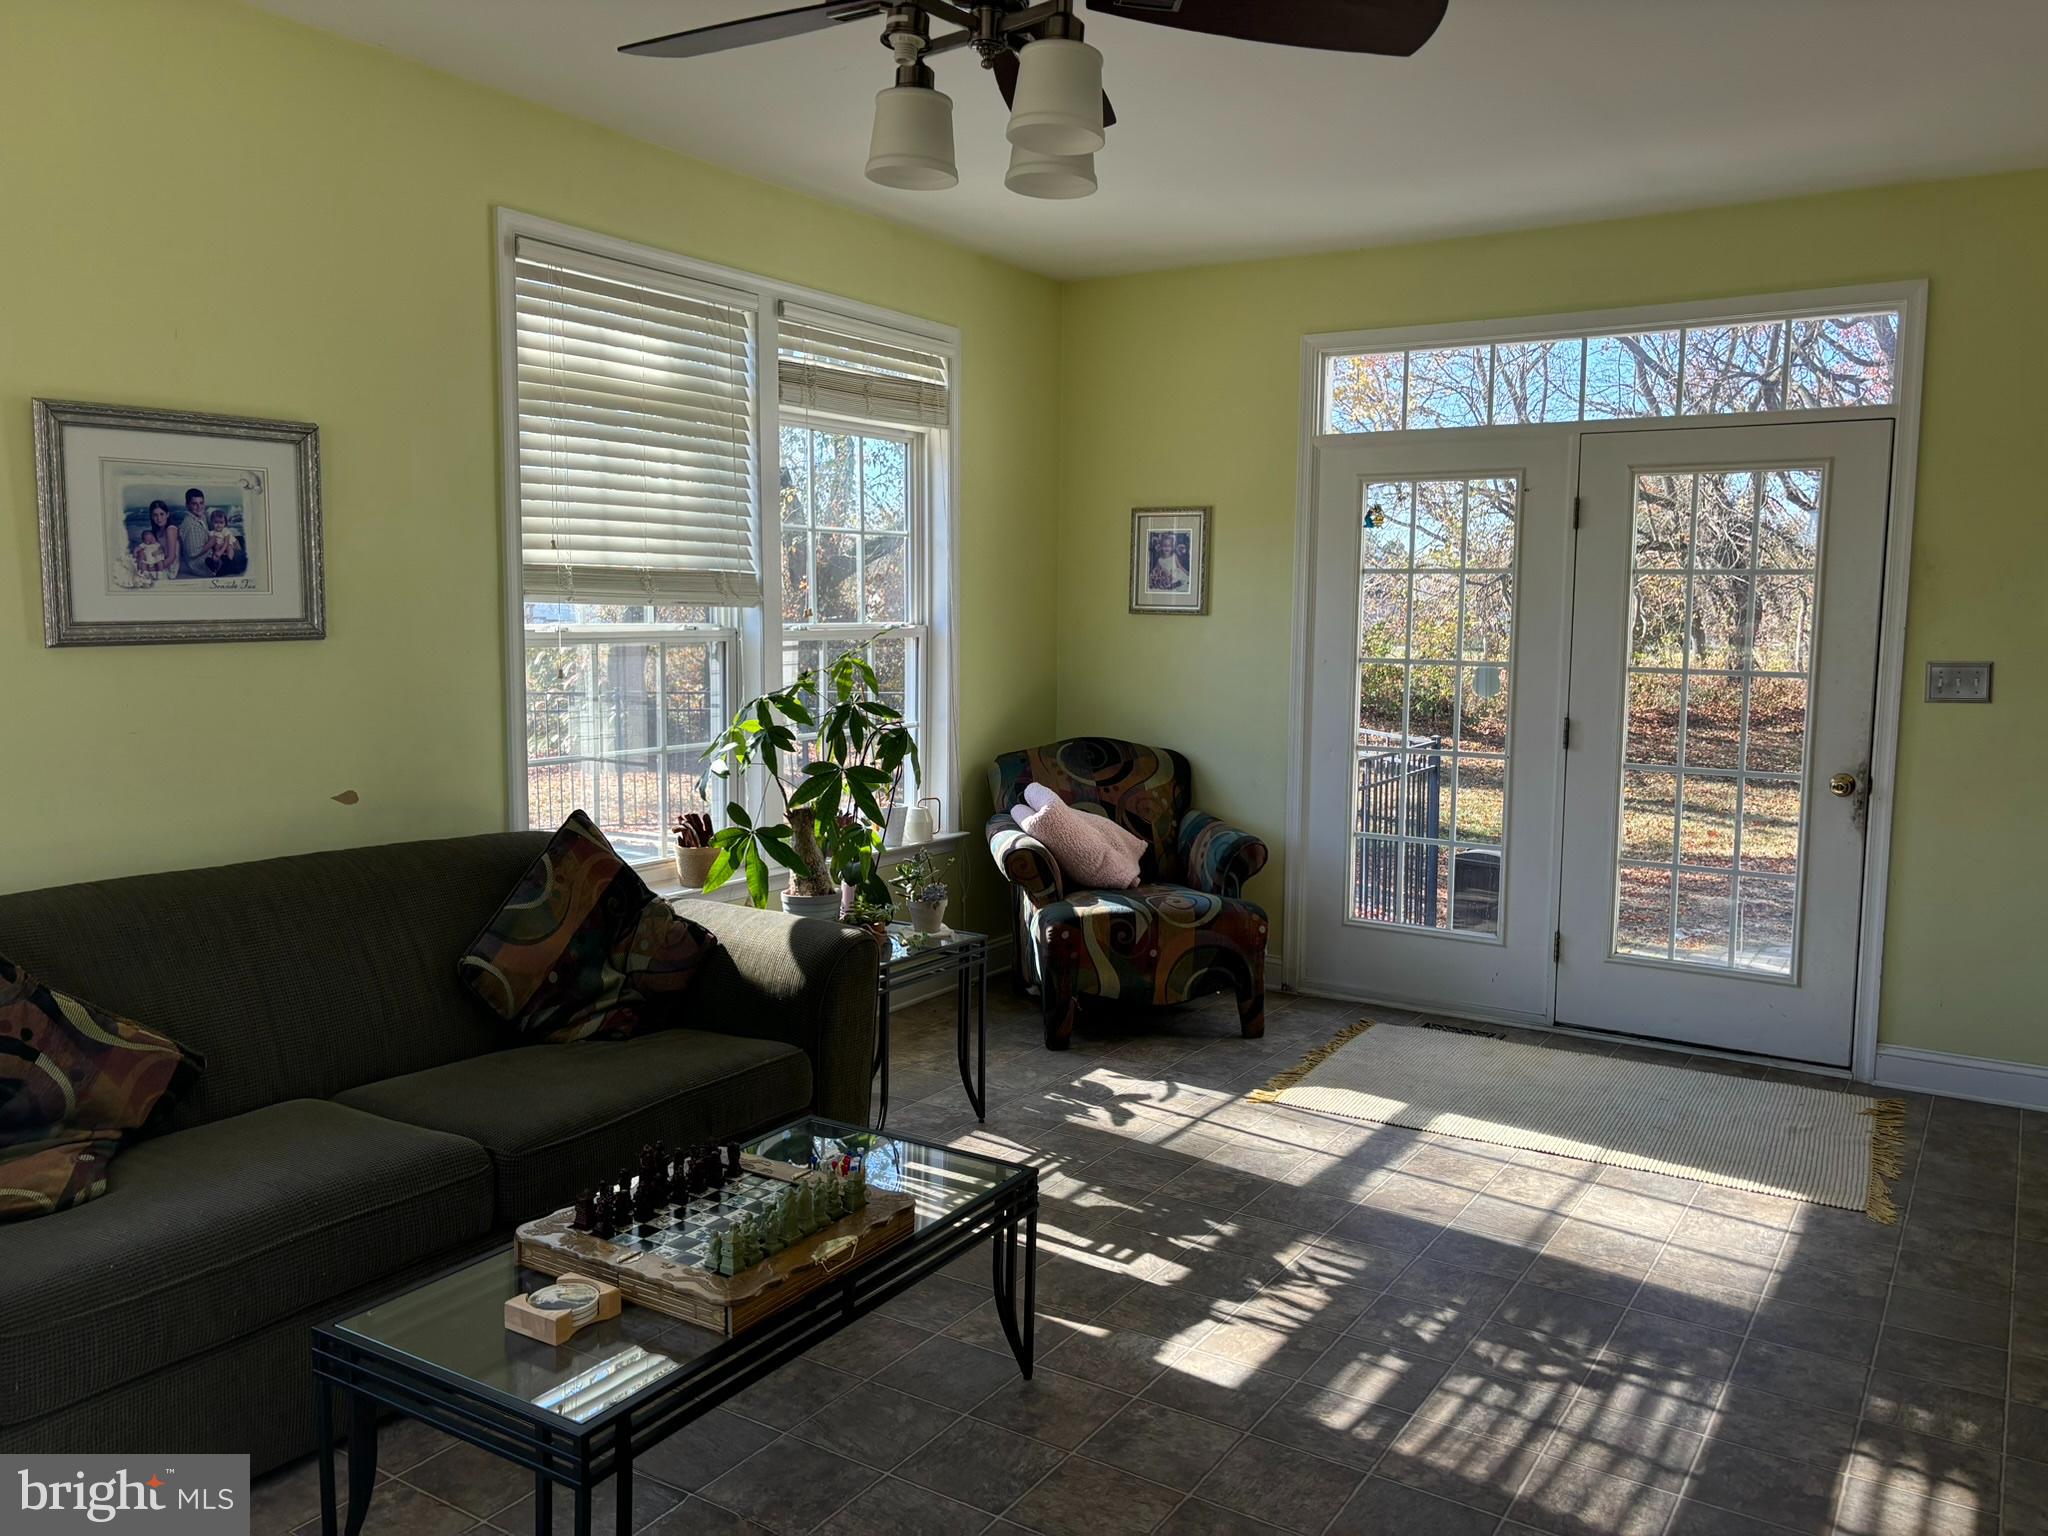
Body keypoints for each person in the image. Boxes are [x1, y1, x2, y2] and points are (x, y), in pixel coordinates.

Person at [201, 507, 244, 575]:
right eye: (216, 522)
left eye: (221, 523)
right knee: (215, 554)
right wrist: (216, 552)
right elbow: (212, 544)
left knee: (229, 547)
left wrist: (220, 552)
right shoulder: (211, 533)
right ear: (212, 522)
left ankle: (229, 560)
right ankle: (216, 566)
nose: (218, 525)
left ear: (225, 523)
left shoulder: (225, 530)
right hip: (221, 549)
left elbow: (226, 542)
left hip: (231, 545)